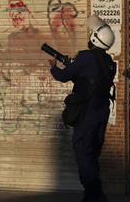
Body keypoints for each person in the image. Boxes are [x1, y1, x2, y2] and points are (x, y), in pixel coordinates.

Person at [48, 15, 116, 202]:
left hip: (87, 113)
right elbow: (88, 81)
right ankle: (92, 194)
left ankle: (95, 193)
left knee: (83, 151)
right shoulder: (109, 63)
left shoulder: (85, 57)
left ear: (95, 38)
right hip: (101, 112)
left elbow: (63, 76)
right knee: (92, 152)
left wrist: (54, 67)